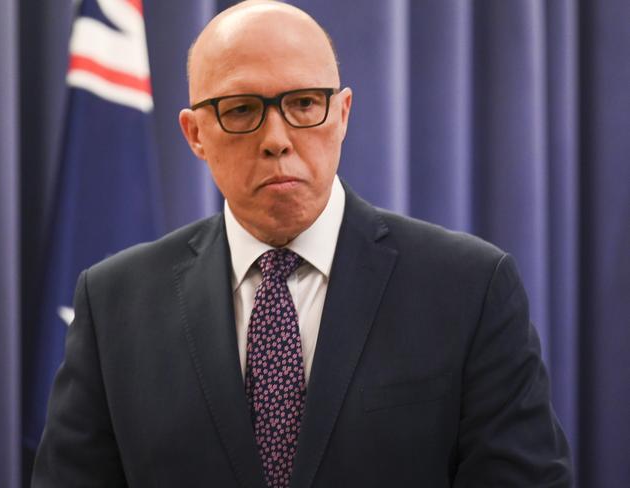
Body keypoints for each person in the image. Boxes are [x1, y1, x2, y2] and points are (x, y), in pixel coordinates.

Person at [32, 1, 572, 486]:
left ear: (342, 114)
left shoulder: (469, 287)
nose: (276, 139)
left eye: (305, 103)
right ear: (195, 134)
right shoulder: (113, 304)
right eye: (241, 109)